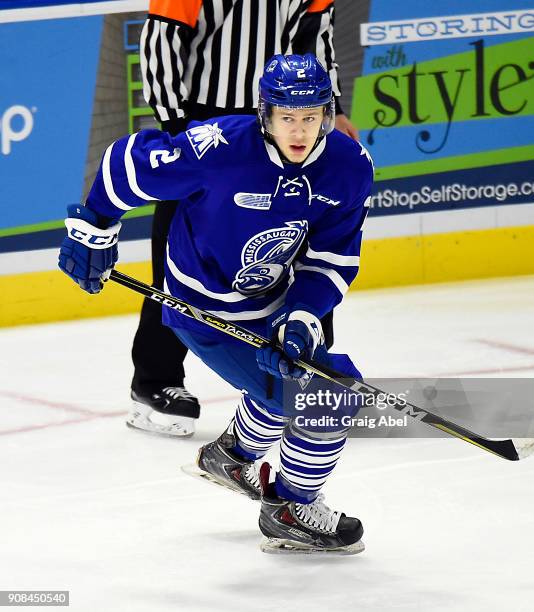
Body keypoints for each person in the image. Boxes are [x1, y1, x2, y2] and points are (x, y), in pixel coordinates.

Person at [58, 54, 373, 553]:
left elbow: (332, 258)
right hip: (201, 310)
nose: (300, 130)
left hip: (272, 301)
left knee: (293, 374)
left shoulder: (349, 166)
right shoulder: (219, 148)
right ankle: (289, 509)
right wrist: (95, 225)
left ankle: (233, 454)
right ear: (264, 114)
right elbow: (127, 164)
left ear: (328, 114)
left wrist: (302, 316)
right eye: (287, 117)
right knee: (328, 398)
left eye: (311, 116)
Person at [130, 0, 360, 437]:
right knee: (182, 260)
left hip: (288, 121)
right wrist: (178, 127)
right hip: (208, 123)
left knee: (299, 248)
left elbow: (317, 38)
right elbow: (161, 41)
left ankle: (305, 376)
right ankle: (154, 381)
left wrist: (334, 107)